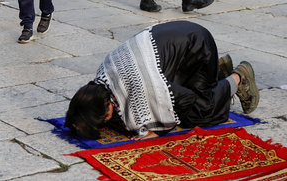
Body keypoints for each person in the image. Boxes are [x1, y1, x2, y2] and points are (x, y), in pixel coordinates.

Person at [64, 21, 259, 140]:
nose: (105, 124)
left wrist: (157, 132)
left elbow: (187, 99)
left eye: (103, 119)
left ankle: (237, 77)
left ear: (107, 104)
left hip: (197, 45)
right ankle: (214, 72)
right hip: (174, 46)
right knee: (172, 91)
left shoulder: (141, 87)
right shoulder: (103, 78)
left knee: (199, 111)